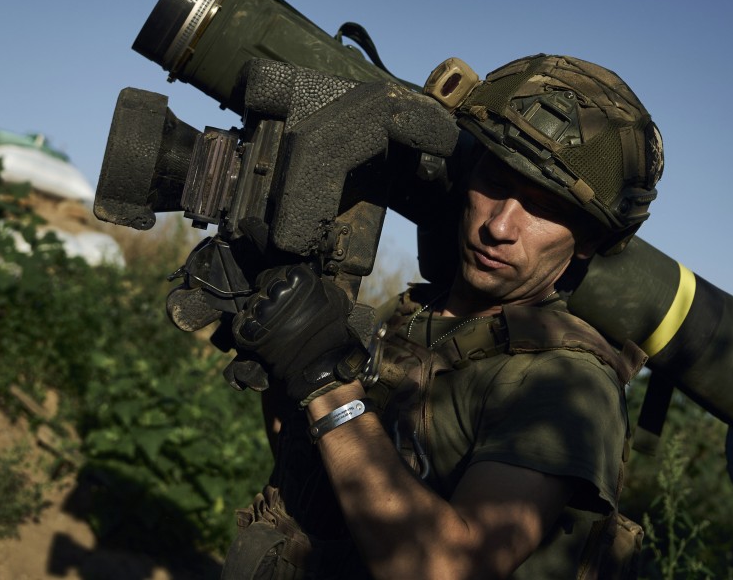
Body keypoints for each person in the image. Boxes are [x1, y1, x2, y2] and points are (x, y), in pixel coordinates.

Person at [221, 54, 665, 580]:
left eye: (543, 208)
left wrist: (324, 381)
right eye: (496, 183)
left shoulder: (566, 382)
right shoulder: (419, 314)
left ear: (588, 241)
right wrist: (277, 343)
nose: (500, 226)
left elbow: (447, 567)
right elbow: (318, 473)